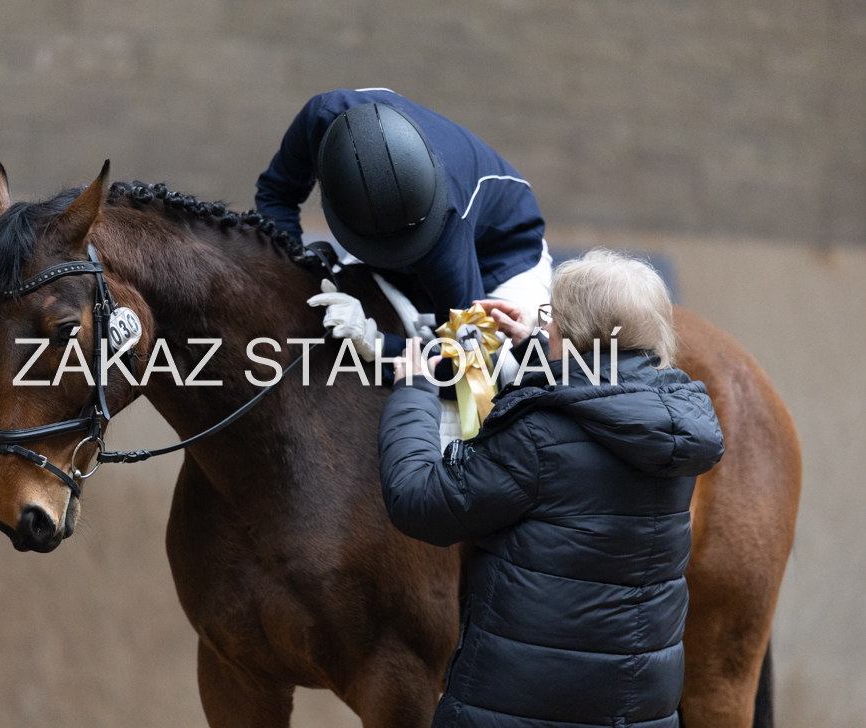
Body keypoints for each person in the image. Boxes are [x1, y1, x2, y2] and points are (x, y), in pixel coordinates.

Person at [378, 250, 725, 727]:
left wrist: (413, 392)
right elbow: (602, 396)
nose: (547, 325)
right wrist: (538, 350)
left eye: (552, 317)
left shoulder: (537, 436)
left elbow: (420, 500)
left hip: (521, 710)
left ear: (574, 333)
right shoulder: (675, 426)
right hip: (634, 712)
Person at [255, 88, 551, 366]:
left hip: (501, 263)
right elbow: (276, 193)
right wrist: (297, 262)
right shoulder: (322, 116)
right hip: (390, 227)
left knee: (503, 369)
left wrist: (378, 345)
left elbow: (468, 363)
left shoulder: (448, 233)